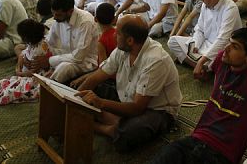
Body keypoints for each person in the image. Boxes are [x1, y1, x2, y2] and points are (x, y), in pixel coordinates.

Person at [149, 28, 247, 164]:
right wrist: (204, 74)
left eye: (235, 47)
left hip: (223, 152)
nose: (227, 48)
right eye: (229, 42)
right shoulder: (222, 59)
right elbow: (214, 79)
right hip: (197, 138)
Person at [75, 15, 182, 152]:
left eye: (117, 33)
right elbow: (96, 77)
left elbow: (138, 108)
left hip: (156, 110)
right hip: (128, 98)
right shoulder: (122, 49)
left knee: (126, 134)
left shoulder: (156, 60)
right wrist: (74, 99)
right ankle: (113, 119)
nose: (113, 35)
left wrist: (101, 103)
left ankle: (104, 126)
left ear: (130, 40)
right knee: (93, 86)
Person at [167, 0, 243, 79]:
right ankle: (200, 67)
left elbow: (223, 39)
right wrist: (196, 45)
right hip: (204, 43)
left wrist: (202, 59)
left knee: (224, 59)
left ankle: (202, 64)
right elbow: (199, 29)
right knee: (172, 41)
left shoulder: (230, 8)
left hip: (223, 47)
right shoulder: (205, 5)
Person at [37, 0, 100, 83]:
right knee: (38, 52)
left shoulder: (85, 22)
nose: (54, 17)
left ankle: (46, 88)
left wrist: (50, 61)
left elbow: (78, 57)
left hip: (85, 61)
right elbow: (48, 42)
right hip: (66, 54)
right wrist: (34, 55)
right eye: (53, 14)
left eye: (58, 15)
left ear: (70, 11)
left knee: (64, 67)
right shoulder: (58, 19)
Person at [0, 19, 50, 105]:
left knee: (11, 90)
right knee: (2, 84)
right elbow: (24, 53)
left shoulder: (39, 50)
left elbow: (33, 73)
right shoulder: (33, 44)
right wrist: (20, 65)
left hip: (36, 78)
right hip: (27, 74)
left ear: (27, 37)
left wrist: (20, 74)